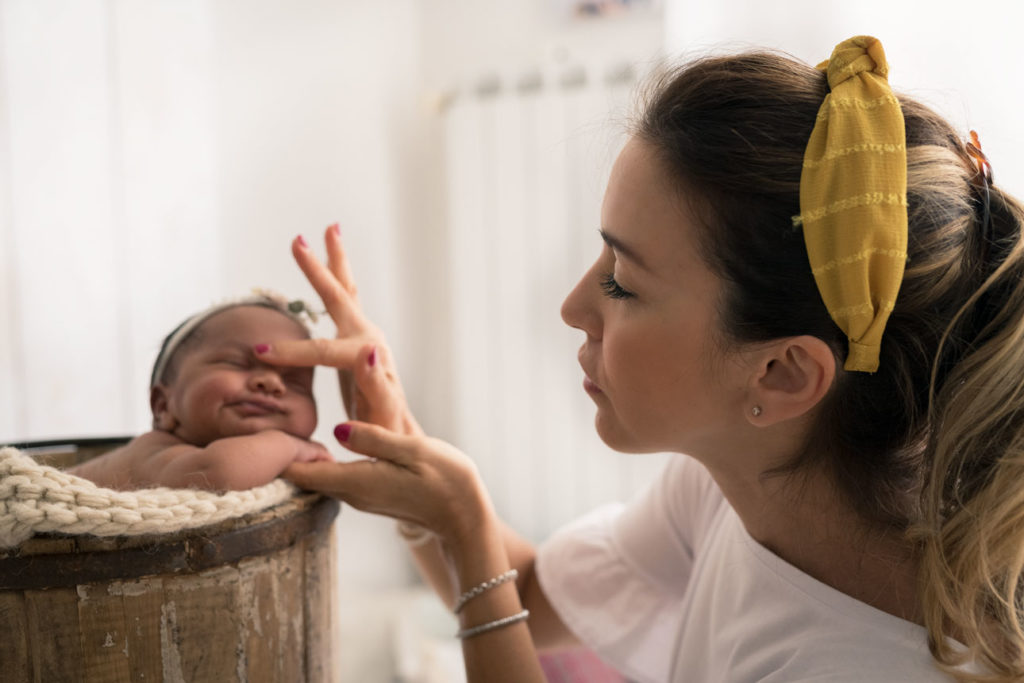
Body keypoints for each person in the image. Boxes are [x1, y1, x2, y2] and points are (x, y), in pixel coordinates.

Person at [264, 36, 1024, 682]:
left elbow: (494, 583)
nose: (571, 307)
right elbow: (523, 589)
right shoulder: (740, 482)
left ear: (783, 373)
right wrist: (397, 431)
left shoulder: (865, 664)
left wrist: (467, 525)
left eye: (622, 282)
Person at [70, 294, 333, 491]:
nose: (271, 383)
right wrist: (291, 446)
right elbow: (219, 470)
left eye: (295, 381)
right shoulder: (153, 452)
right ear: (163, 406)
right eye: (236, 363)